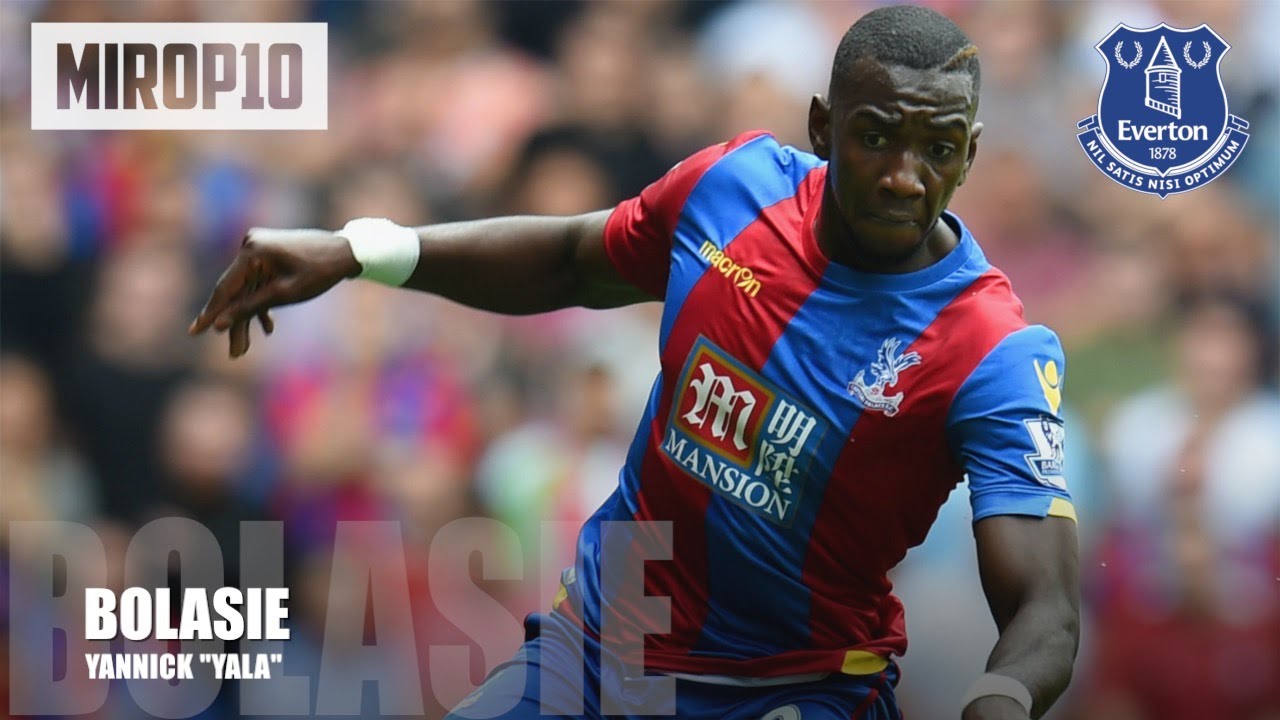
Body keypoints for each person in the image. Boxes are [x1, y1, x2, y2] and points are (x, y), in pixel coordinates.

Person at [190, 6, 1079, 719]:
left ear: (971, 150)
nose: (905, 176)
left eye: (939, 148)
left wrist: (999, 698)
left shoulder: (992, 349)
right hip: (597, 653)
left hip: (796, 690)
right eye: (879, 136)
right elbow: (575, 256)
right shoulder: (730, 189)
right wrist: (358, 249)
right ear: (822, 124)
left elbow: (1043, 602)